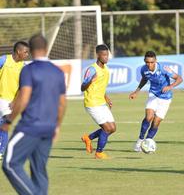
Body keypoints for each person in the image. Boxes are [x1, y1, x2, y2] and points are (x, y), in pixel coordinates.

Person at [1, 34, 66, 194]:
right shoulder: (57, 72)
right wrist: (57, 126)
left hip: (30, 126)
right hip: (49, 128)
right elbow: (62, 103)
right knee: (39, 170)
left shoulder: (28, 69)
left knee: (9, 163)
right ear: (45, 48)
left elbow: (23, 98)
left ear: (32, 49)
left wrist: (9, 121)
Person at [129, 51, 183, 152]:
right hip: (153, 94)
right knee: (148, 117)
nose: (149, 64)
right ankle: (140, 141)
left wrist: (170, 86)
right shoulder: (143, 69)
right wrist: (136, 91)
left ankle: (148, 142)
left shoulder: (163, 69)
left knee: (156, 122)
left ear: (155, 61)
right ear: (145, 61)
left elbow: (179, 79)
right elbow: (144, 79)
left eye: (152, 62)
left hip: (166, 98)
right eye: (147, 62)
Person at [81, 44, 116, 159]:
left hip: (101, 102)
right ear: (98, 55)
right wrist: (90, 80)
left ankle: (88, 138)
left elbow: (100, 87)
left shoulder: (106, 69)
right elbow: (82, 87)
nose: (106, 57)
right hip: (92, 103)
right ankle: (99, 152)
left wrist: (106, 98)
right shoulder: (92, 69)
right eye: (104, 55)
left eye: (107, 55)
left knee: (113, 128)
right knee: (107, 128)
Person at [0, 41, 29, 160]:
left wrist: (16, 101)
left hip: (9, 102)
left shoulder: (24, 67)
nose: (27, 54)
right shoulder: (3, 60)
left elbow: (23, 87)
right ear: (18, 51)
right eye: (26, 52)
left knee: (4, 124)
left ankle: (1, 151)